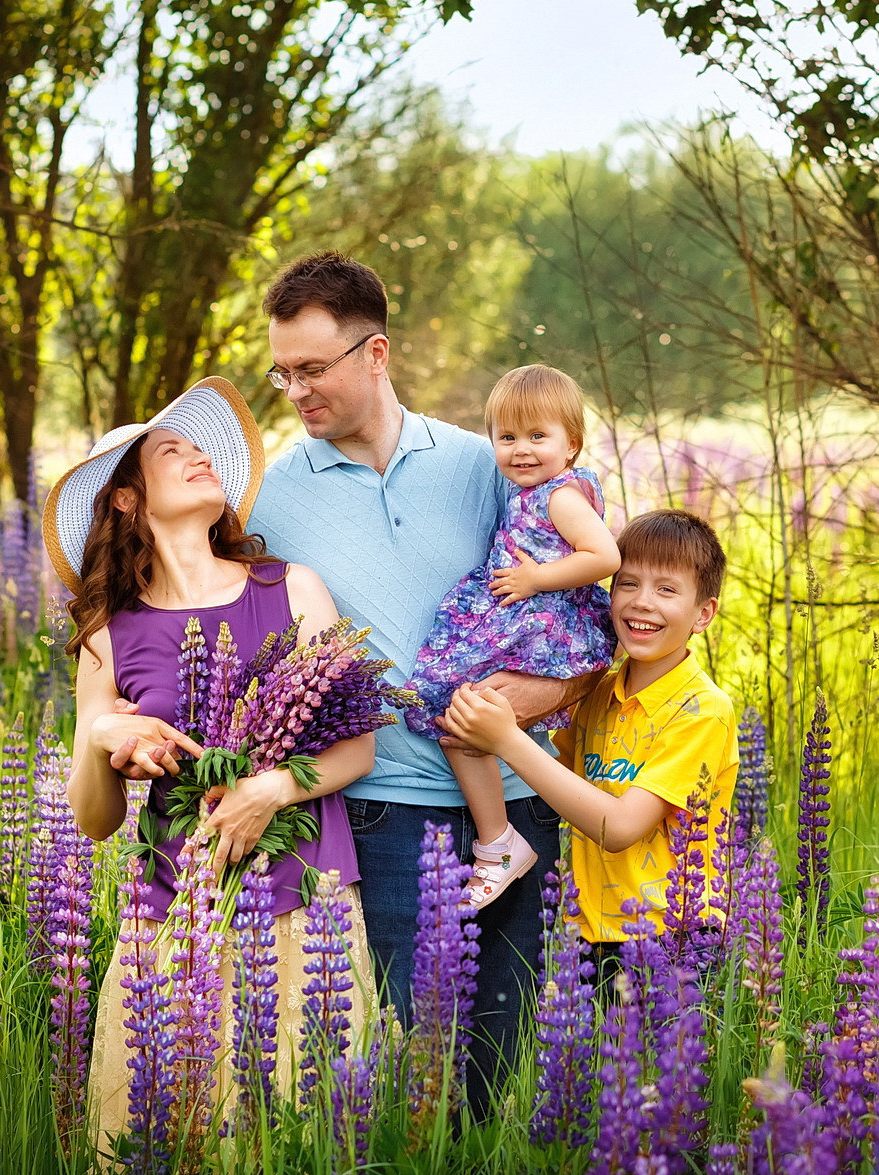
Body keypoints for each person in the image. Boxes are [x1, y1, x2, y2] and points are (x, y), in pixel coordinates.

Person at [244, 251, 607, 1110]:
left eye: (312, 368)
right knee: (418, 1074)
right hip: (386, 810)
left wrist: (541, 698)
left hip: (524, 795)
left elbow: (593, 613)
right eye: (282, 371)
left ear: (375, 354)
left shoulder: (492, 463)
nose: (295, 391)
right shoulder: (267, 501)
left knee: (511, 1071)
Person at [46, 376, 376, 1143]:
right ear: (126, 498)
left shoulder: (293, 587)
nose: (199, 457)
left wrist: (268, 789)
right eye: (173, 449)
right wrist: (99, 739)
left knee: (298, 1144)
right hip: (173, 917)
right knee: (170, 1153)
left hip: (303, 908)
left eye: (202, 447)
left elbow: (358, 746)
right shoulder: (109, 628)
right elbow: (95, 820)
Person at [442, 508, 740, 959]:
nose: (642, 602)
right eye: (628, 583)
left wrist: (505, 739)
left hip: (672, 935)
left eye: (666, 590)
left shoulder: (702, 710)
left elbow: (620, 827)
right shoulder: (600, 694)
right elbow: (555, 782)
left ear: (704, 613)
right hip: (590, 930)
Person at [402, 364, 619, 906]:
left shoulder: (561, 497)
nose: (521, 449)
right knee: (457, 713)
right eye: (507, 437)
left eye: (538, 436)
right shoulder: (540, 489)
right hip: (528, 618)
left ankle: (498, 842)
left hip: (544, 624)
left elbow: (605, 556)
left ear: (572, 444)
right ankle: (497, 839)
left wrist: (535, 577)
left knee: (459, 708)